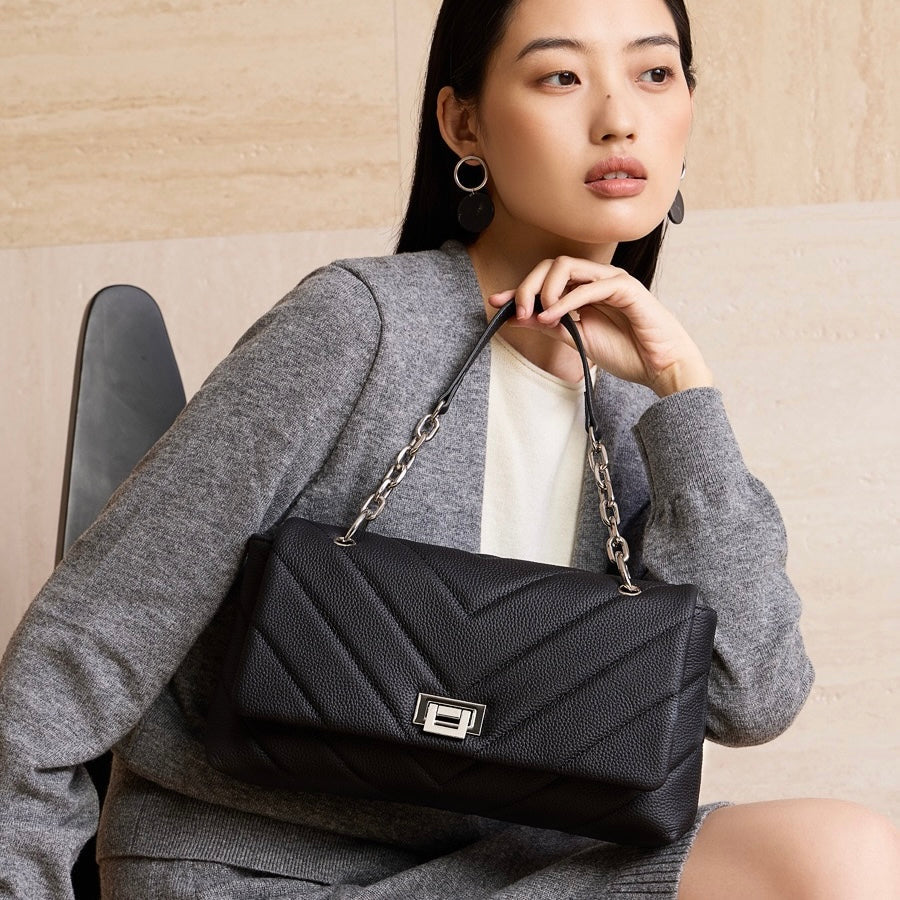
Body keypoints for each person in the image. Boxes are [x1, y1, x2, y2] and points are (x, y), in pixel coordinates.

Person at [2, 0, 899, 897]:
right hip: (260, 870)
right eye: (561, 75)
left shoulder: (639, 414)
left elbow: (751, 697)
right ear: (463, 123)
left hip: (511, 873)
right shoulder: (360, 327)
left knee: (841, 856)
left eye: (654, 73)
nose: (619, 117)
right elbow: (84, 646)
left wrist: (683, 393)